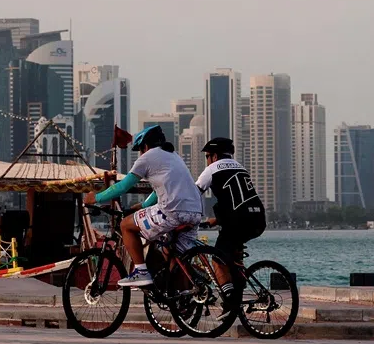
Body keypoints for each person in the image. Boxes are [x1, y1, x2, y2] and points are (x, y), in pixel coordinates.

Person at [84, 125, 204, 287]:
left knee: (126, 225)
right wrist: (142, 206)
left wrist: (95, 198)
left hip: (172, 212)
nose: (140, 154)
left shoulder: (147, 158)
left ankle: (141, 272)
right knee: (174, 256)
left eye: (140, 150)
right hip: (195, 212)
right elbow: (161, 189)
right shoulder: (173, 156)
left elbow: (122, 187)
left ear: (145, 146)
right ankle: (183, 299)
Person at [195, 137, 266, 302]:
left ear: (214, 156)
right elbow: (236, 200)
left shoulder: (212, 169)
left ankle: (230, 303)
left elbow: (193, 193)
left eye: (207, 156)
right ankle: (238, 290)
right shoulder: (241, 168)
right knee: (233, 258)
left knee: (218, 261)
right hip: (257, 219)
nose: (207, 161)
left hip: (237, 222)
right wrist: (216, 220)